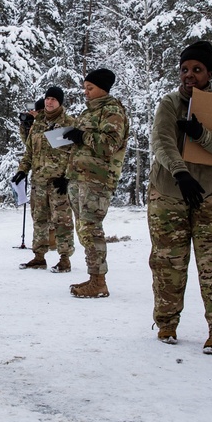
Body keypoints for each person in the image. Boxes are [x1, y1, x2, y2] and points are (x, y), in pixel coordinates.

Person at [147, 40, 212, 354]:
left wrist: (202, 135)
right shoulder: (169, 103)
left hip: (211, 194)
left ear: (209, 73)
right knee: (167, 261)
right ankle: (166, 322)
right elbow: (161, 141)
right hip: (170, 191)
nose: (190, 75)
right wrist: (181, 172)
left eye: (197, 70)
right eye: (185, 69)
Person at [57, 68, 129, 298]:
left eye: (90, 88)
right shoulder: (89, 113)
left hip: (97, 180)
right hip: (80, 178)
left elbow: (109, 144)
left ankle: (99, 281)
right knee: (84, 229)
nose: (85, 92)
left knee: (91, 228)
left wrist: (82, 136)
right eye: (85, 88)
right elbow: (83, 146)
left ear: (103, 89)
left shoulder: (112, 111)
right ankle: (94, 277)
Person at [12, 86, 76, 273]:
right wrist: (23, 170)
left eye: (53, 99)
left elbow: (76, 154)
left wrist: (67, 176)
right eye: (47, 98)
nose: (49, 102)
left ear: (60, 102)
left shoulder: (69, 123)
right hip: (39, 181)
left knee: (61, 220)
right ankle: (39, 256)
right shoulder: (38, 123)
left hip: (58, 182)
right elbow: (30, 151)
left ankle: (65, 259)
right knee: (39, 219)